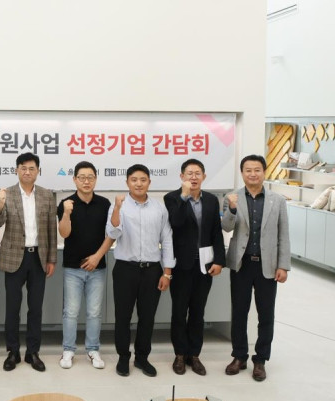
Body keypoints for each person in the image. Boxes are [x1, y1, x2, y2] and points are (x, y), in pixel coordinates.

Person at [222, 154, 289, 382]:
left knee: (266, 315)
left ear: (264, 172)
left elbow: (283, 234)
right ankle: (239, 356)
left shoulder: (277, 200)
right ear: (242, 173)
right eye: (248, 170)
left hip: (267, 265)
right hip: (241, 264)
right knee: (239, 313)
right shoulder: (232, 197)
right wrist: (232, 209)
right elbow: (226, 227)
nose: (253, 174)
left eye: (257, 170)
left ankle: (260, 360)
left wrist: (283, 265)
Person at [106, 164, 175, 377]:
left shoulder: (159, 208)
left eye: (143, 180)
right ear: (127, 182)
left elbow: (167, 239)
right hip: (125, 269)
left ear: (149, 182)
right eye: (134, 180)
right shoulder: (118, 206)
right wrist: (117, 209)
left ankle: (142, 358)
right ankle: (123, 357)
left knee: (147, 317)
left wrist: (167, 272)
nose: (138, 184)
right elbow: (112, 232)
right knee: (122, 316)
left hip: (152, 270)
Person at [0, 152, 57, 372]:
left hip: (38, 257)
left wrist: (51, 259)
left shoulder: (47, 195)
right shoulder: (7, 194)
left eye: (31, 168)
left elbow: (51, 229)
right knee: (12, 308)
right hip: (13, 258)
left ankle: (33, 352)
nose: (27, 172)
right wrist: (0, 204)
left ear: (38, 171)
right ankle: (13, 351)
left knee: (35, 308)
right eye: (23, 168)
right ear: (16, 170)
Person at [163, 159, 225, 376]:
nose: (193, 177)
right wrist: (184, 196)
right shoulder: (172, 198)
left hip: (204, 265)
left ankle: (194, 355)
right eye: (189, 173)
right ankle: (180, 354)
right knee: (179, 311)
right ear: (182, 177)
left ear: (204, 176)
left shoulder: (211, 200)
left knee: (198, 311)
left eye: (197, 173)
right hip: (181, 264)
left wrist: (219, 260)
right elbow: (176, 222)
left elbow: (216, 231)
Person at [56, 161, 113, 370]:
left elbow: (111, 234)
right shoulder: (66, 203)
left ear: (95, 179)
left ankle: (93, 349)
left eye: (90, 177)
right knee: (70, 312)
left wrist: (97, 257)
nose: (86, 181)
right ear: (75, 180)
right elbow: (64, 233)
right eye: (82, 177)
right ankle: (68, 349)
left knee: (94, 312)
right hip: (73, 267)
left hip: (97, 267)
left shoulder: (105, 204)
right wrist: (66, 213)